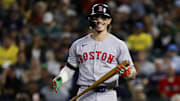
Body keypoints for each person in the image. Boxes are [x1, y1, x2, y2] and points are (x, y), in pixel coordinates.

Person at [52, 3, 136, 101]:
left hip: (108, 94)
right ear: (90, 20)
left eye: (103, 18)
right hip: (85, 93)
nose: (99, 21)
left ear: (109, 21)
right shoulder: (78, 44)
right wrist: (61, 78)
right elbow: (70, 68)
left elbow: (132, 72)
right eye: (96, 17)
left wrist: (128, 73)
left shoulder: (119, 44)